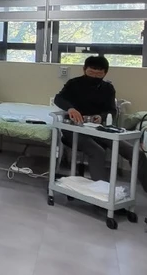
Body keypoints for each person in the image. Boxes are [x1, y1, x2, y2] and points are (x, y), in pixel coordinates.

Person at [53, 55, 133, 183]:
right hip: (74, 129)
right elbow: (58, 99)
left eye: (99, 74)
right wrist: (71, 109)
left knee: (132, 151)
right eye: (91, 73)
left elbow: (112, 110)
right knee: (97, 151)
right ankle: (102, 190)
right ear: (84, 69)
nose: (94, 77)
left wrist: (101, 117)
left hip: (98, 129)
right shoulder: (73, 84)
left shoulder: (108, 88)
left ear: (105, 73)